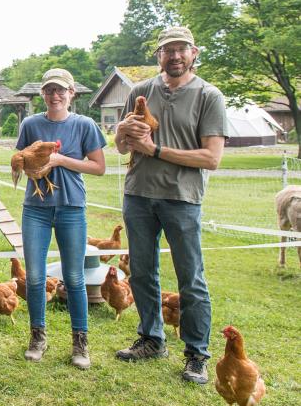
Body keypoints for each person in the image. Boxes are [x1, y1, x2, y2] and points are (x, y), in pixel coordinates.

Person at [114, 25, 228, 384]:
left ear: (194, 53)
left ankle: (196, 353)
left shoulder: (209, 96)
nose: (175, 55)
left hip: (182, 198)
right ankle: (152, 339)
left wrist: (156, 150)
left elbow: (211, 158)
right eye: (168, 50)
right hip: (139, 194)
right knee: (143, 272)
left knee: (190, 278)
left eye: (182, 49)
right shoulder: (140, 90)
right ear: (158, 55)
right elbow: (121, 146)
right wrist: (121, 135)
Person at [16, 68, 106, 369]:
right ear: (43, 94)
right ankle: (37, 337)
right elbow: (20, 160)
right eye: (50, 90)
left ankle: (80, 343)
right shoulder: (31, 124)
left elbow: (98, 167)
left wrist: (59, 160)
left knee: (75, 277)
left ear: (71, 94)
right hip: (36, 208)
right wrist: (33, 169)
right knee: (36, 277)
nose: (55, 95)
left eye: (61, 90)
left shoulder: (84, 125)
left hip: (71, 207)